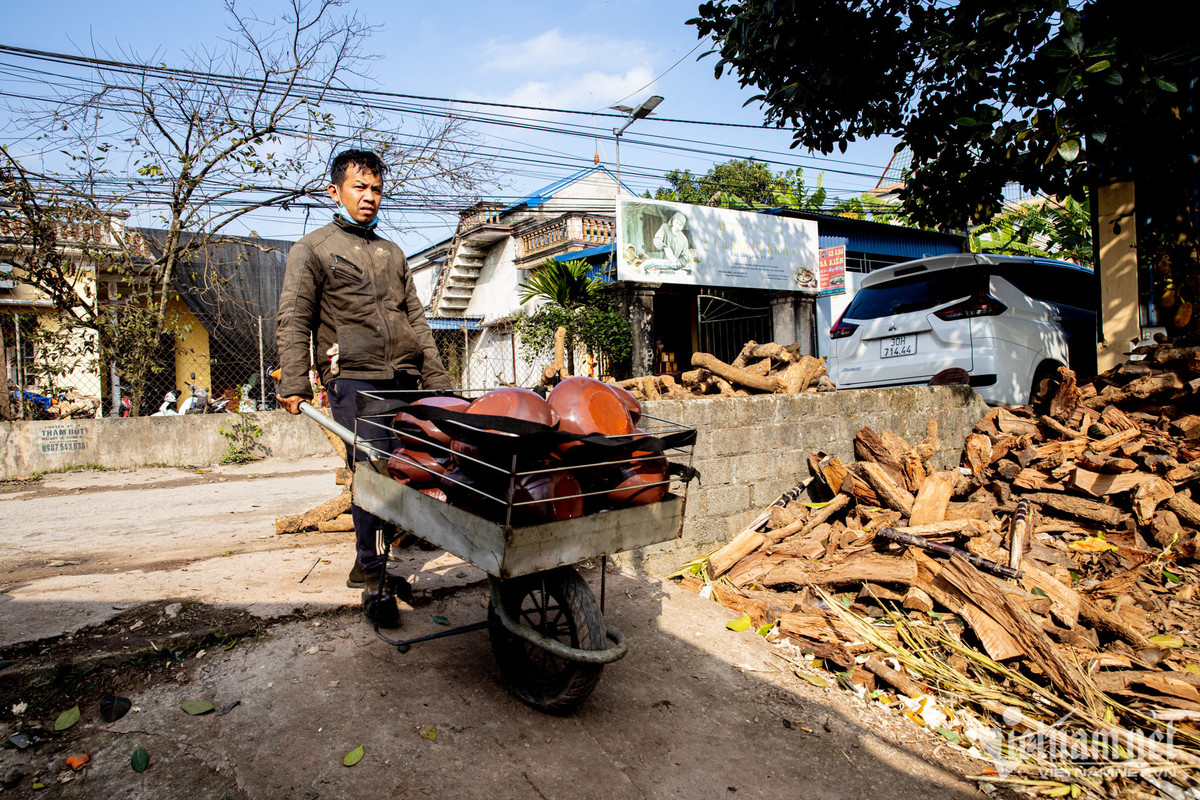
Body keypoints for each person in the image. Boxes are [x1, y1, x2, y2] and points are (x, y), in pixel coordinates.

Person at [276, 149, 453, 627]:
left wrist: (438, 382)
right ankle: (373, 576)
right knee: (371, 471)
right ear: (334, 191)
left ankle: (368, 559)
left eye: (376, 188)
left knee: (406, 468)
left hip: (404, 377)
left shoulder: (390, 252)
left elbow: (416, 320)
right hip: (354, 377)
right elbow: (294, 317)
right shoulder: (312, 249)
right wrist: (293, 379)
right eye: (360, 187)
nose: (370, 197)